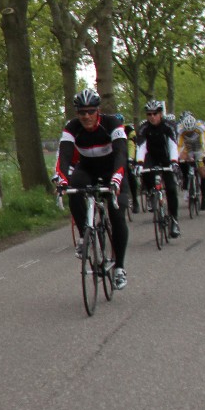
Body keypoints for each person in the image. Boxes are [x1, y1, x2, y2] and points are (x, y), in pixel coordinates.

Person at [54, 89, 130, 289]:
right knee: (74, 188)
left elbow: (121, 153)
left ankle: (120, 268)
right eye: (82, 112)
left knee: (117, 215)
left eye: (90, 111)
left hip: (113, 169)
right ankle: (84, 235)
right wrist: (61, 180)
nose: (86, 116)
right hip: (87, 168)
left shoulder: (112, 123)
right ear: (77, 113)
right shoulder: (72, 127)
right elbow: (64, 156)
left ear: (98, 110)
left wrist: (116, 178)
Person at [136, 99, 181, 238]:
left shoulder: (168, 126)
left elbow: (173, 145)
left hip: (166, 157)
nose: (152, 117)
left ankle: (174, 220)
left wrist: (174, 162)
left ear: (160, 114)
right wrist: (139, 163)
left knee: (171, 189)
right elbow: (141, 146)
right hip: (151, 157)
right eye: (149, 114)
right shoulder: (144, 127)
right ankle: (151, 193)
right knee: (145, 173)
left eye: (155, 114)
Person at [176, 111, 205, 211]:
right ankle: (187, 186)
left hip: (198, 147)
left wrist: (204, 155)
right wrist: (180, 157)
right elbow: (179, 145)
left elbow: (204, 143)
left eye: (191, 131)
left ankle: (204, 198)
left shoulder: (200, 128)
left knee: (203, 172)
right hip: (187, 148)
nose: (189, 132)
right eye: (188, 131)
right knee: (183, 162)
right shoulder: (180, 130)